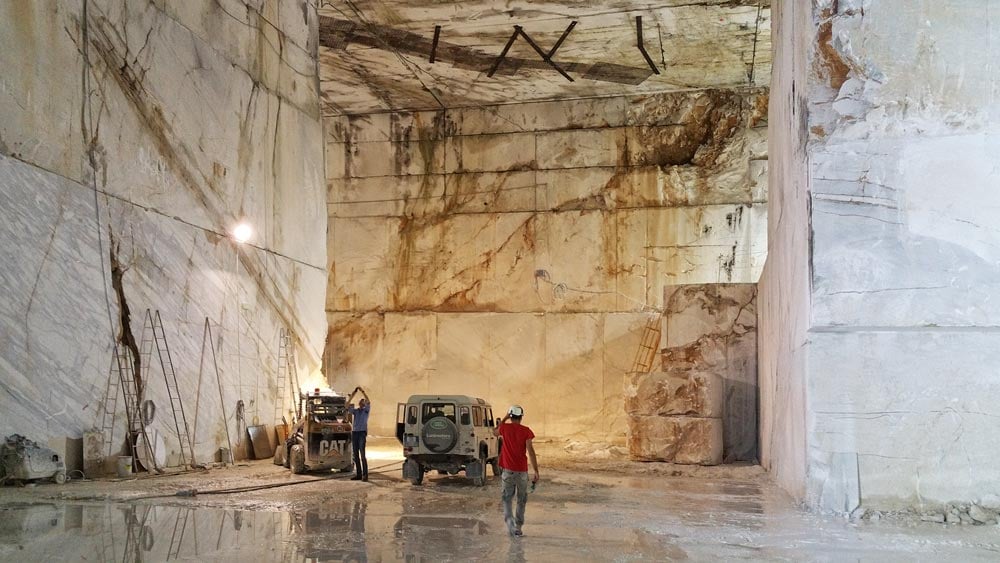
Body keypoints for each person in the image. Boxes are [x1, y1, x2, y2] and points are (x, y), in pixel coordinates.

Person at [493, 405, 539, 537]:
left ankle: (510, 523)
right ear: (521, 417)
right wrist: (536, 471)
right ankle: (518, 527)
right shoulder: (526, 431)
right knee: (521, 499)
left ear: (511, 416)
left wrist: (505, 417)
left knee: (507, 498)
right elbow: (531, 451)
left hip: (508, 471)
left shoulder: (504, 428)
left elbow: (494, 432)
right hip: (522, 472)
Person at [347, 386, 371, 481]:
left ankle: (365, 475)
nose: (362, 402)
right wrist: (353, 394)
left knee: (362, 454)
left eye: (363, 401)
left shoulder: (366, 411)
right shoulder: (356, 411)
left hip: (361, 433)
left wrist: (362, 391)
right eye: (361, 401)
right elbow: (346, 405)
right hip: (355, 433)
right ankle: (359, 474)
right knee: (356, 455)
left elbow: (368, 401)